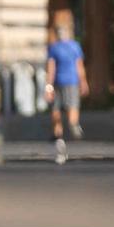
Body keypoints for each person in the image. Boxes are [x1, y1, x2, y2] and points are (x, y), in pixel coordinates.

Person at [45, 23, 89, 155]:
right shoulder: (75, 46)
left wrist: (48, 86)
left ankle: (58, 135)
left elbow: (51, 68)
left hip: (58, 82)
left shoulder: (53, 48)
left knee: (56, 109)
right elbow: (79, 66)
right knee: (72, 105)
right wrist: (83, 82)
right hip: (72, 82)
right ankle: (73, 124)